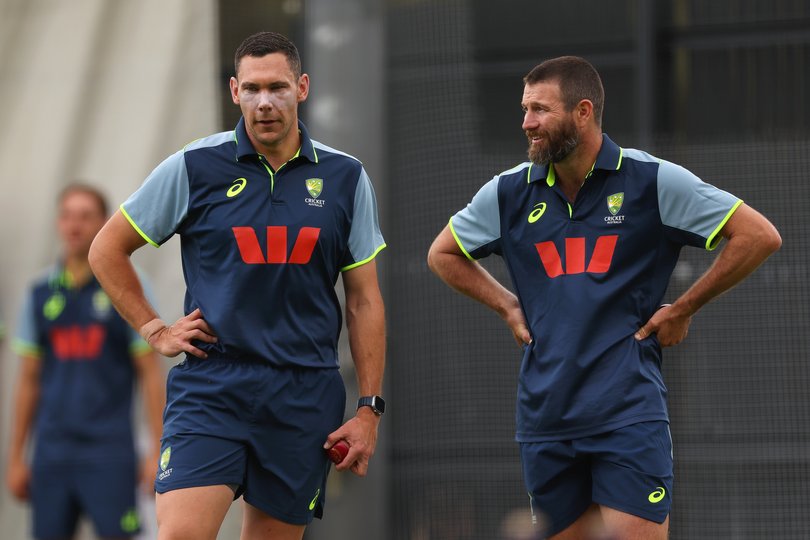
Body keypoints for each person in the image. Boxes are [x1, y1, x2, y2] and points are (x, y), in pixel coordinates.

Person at [427, 56, 781, 539]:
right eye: (525, 109)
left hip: (627, 417)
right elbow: (443, 253)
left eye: (540, 110)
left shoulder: (652, 181)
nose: (526, 123)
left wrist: (684, 307)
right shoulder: (509, 191)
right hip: (546, 418)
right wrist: (506, 304)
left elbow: (758, 235)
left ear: (583, 112)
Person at [88, 31, 387, 540]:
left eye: (277, 87)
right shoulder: (193, 166)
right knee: (181, 533)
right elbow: (106, 250)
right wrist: (155, 329)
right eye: (252, 89)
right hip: (212, 386)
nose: (264, 102)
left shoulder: (346, 177)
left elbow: (363, 301)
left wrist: (369, 410)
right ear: (233, 91)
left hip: (303, 393)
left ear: (303, 87)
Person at [6, 184, 165, 539]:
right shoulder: (40, 292)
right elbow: (28, 380)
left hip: (109, 454)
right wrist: (17, 457)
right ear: (58, 224)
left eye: (85, 216)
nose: (74, 225)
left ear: (104, 223)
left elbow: (151, 375)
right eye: (67, 216)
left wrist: (158, 451)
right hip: (51, 455)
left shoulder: (128, 285)